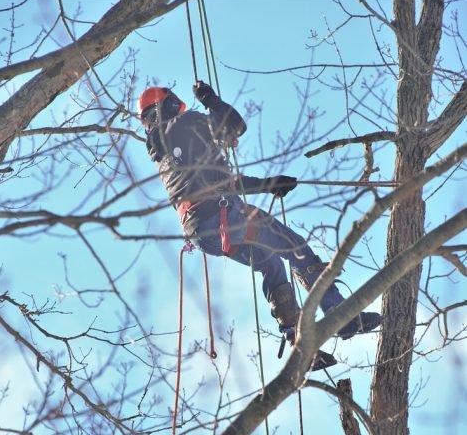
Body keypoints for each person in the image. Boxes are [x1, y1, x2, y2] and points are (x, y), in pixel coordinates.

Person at [137, 82, 382, 349]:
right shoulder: (187, 124)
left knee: (269, 262)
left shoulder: (164, 155)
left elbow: (219, 183)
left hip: (204, 234)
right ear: (171, 105)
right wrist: (209, 98)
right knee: (295, 246)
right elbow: (235, 126)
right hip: (224, 217)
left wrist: (268, 183)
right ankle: (339, 315)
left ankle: (296, 337)